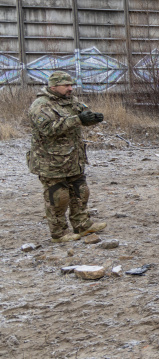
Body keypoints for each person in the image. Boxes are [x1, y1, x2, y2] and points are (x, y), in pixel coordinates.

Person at [27, 71, 107, 243]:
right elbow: (48, 129)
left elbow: (82, 116)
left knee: (81, 192)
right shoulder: (41, 105)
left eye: (71, 85)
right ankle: (59, 233)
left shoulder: (71, 101)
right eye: (66, 86)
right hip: (50, 161)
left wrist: (92, 118)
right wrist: (78, 119)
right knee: (58, 197)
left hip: (73, 158)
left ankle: (83, 224)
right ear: (53, 86)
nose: (70, 88)